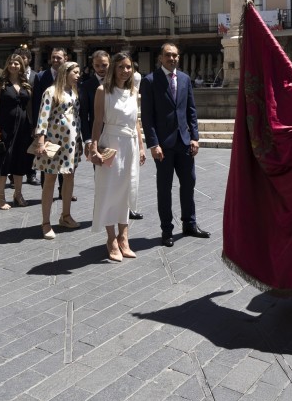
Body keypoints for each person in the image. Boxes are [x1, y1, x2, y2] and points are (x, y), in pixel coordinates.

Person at [141, 43, 205, 248]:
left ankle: (190, 224)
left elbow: (191, 110)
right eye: (168, 55)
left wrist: (195, 137)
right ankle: (166, 230)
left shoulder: (185, 79)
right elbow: (147, 117)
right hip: (164, 146)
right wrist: (153, 143)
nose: (172, 58)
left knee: (189, 184)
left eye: (175, 55)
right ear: (160, 57)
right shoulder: (150, 81)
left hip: (185, 143)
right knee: (164, 188)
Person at [88, 52, 145, 262]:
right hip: (111, 142)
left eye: (129, 67)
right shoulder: (103, 91)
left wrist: (141, 146)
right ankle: (111, 239)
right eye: (121, 67)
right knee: (109, 191)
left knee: (127, 189)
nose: (125, 71)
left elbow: (136, 122)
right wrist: (94, 147)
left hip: (129, 144)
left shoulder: (134, 92)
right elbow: (97, 121)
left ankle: (124, 237)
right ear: (114, 68)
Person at [33, 60, 83, 239]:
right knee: (50, 179)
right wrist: (40, 140)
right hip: (54, 142)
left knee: (69, 177)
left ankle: (66, 216)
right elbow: (43, 116)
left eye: (78, 72)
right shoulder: (51, 91)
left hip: (72, 142)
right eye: (75, 72)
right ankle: (46, 222)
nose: (78, 75)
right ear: (65, 73)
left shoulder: (74, 92)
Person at [0, 52, 33, 209]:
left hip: (23, 128)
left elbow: (30, 107)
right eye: (11, 62)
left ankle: (18, 194)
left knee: (20, 160)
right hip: (5, 127)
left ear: (22, 66)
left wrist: (33, 127)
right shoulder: (0, 83)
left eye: (17, 63)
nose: (14, 65)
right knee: (4, 161)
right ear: (7, 64)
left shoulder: (26, 84)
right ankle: (0, 197)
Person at [30, 48, 67, 186]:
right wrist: (36, 127)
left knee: (64, 158)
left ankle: (64, 191)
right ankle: (46, 191)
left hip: (65, 128)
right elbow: (36, 104)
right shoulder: (41, 77)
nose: (55, 60)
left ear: (65, 58)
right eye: (53, 57)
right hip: (47, 126)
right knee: (47, 158)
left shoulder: (70, 76)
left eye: (58, 57)